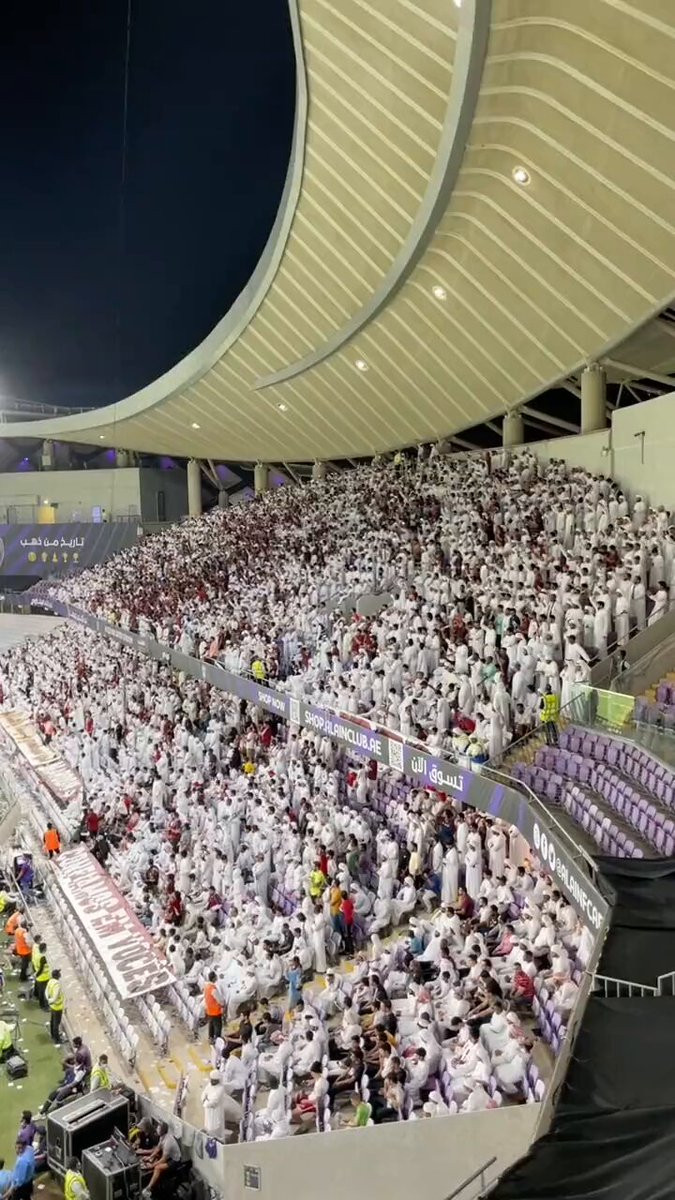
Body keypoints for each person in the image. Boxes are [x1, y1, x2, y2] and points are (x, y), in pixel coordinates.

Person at [139, 1121, 181, 1198]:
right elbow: (158, 1149)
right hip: (168, 1157)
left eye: (158, 1128)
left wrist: (151, 1166)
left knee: (157, 1168)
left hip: (175, 1161)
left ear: (162, 1130)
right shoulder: (162, 1137)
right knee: (155, 1159)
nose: (156, 1129)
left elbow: (163, 1159)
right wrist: (149, 1157)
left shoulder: (168, 1142)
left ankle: (148, 1189)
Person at [203, 972, 224, 1044]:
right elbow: (220, 1000)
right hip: (215, 1011)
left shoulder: (206, 986)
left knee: (211, 1024)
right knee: (218, 1026)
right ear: (214, 978)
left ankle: (210, 1038)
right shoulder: (213, 989)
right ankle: (217, 1041)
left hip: (209, 1009)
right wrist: (223, 1004)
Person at [45, 970, 64, 1043]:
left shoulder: (50, 981)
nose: (60, 974)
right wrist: (51, 1001)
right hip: (57, 1007)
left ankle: (53, 1034)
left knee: (52, 1021)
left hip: (53, 1006)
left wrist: (48, 999)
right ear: (56, 976)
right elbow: (55, 997)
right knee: (56, 1023)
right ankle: (57, 1039)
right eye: (59, 973)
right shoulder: (57, 985)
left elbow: (46, 991)